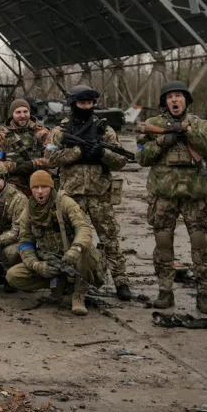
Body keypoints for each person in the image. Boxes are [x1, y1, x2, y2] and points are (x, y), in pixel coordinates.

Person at [135, 81, 207, 313]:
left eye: (179, 96)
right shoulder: (152, 125)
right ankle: (165, 291)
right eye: (170, 96)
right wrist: (163, 141)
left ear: (186, 100)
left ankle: (204, 294)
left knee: (200, 244)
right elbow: (141, 158)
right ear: (165, 102)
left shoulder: (201, 124)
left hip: (195, 194)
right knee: (163, 244)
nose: (175, 100)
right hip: (163, 194)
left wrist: (188, 132)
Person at [43, 85, 132, 301]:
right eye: (82, 103)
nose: (86, 107)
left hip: (100, 194)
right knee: (70, 239)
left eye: (89, 103)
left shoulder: (105, 130)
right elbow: (49, 159)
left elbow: (120, 161)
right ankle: (70, 281)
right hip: (71, 196)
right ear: (74, 104)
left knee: (109, 238)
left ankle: (121, 281)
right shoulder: (60, 132)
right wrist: (77, 152)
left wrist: (102, 153)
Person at [5, 170, 104, 316]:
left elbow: (83, 227)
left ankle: (79, 294)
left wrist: (75, 249)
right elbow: (25, 243)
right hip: (51, 260)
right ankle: (61, 284)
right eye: (35, 188)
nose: (40, 192)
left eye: (44, 187)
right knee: (13, 276)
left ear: (51, 188)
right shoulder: (28, 212)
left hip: (73, 257)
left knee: (85, 250)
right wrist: (36, 265)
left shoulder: (65, 203)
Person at [0, 98, 49, 195]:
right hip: (13, 184)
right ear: (12, 114)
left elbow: (53, 158)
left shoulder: (42, 132)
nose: (22, 115)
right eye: (18, 112)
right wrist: (16, 167)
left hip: (39, 181)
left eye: (25, 111)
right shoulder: (2, 135)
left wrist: (33, 164)